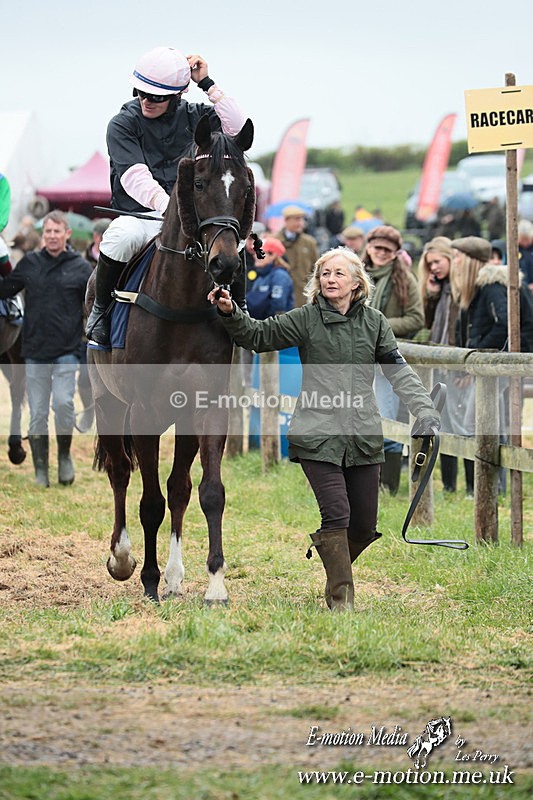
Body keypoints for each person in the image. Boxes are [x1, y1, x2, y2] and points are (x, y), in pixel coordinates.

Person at [207, 248, 440, 612]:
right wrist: (231, 312)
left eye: (338, 274)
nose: (330, 279)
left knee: (363, 525)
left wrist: (425, 411)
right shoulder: (306, 318)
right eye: (325, 274)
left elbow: (398, 371)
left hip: (362, 433)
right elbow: (257, 336)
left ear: (356, 282)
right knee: (336, 514)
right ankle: (340, 600)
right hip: (316, 431)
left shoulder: (375, 322)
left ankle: (333, 560)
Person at [86, 46, 247, 348]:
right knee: (119, 238)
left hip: (192, 219)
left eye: (156, 96)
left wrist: (207, 83)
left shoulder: (197, 115)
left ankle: (241, 310)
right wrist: (169, 207)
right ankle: (100, 311)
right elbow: (134, 176)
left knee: (233, 243)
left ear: (177, 95)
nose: (146, 100)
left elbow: (238, 129)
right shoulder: (122, 123)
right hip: (143, 216)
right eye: (141, 92)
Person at [0, 210, 92, 487]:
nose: (52, 236)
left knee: (63, 403)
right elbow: (5, 290)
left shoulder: (81, 267)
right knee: (38, 412)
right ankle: (41, 469)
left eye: (57, 232)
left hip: (67, 349)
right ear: (43, 236)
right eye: (48, 232)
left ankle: (64, 456)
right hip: (35, 350)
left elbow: (92, 304)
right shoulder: (29, 264)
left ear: (67, 235)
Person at [362, 225, 425, 494]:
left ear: (395, 253)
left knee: (386, 418)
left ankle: (388, 485)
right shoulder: (355, 275)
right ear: (368, 247)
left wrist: (378, 324)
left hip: (387, 359)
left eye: (387, 250)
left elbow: (416, 318)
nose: (381, 254)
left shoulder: (404, 279)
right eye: (377, 248)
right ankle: (365, 482)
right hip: (356, 359)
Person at [417, 236, 473, 495]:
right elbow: (428, 324)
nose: (434, 268)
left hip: (458, 367)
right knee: (444, 425)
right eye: (430, 265)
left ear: (450, 259)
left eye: (437, 262)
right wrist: (431, 295)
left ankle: (473, 486)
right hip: (440, 366)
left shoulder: (463, 289)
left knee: (465, 426)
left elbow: (466, 332)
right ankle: (450, 486)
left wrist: (465, 368)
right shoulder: (442, 290)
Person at [274, 206, 318, 307]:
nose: (301, 223)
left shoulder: (309, 243)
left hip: (302, 297)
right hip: (280, 295)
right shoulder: (275, 241)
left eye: (302, 219)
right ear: (286, 221)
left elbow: (315, 270)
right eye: (296, 219)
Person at [246, 237, 294, 320]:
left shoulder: (280, 276)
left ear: (273, 256)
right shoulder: (261, 276)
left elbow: (278, 307)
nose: (255, 256)